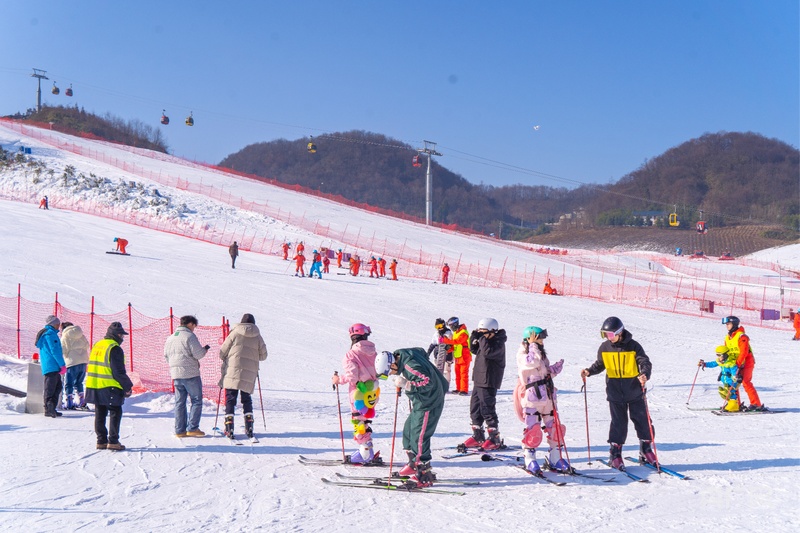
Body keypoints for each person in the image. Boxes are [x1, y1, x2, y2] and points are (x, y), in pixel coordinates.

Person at [580, 316, 655, 468]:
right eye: (605, 335)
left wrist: (644, 374)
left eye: (610, 335)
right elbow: (600, 365)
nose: (608, 338)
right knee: (619, 424)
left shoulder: (634, 346)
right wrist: (589, 371)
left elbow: (644, 362)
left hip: (635, 392)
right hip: (615, 393)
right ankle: (615, 454)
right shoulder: (604, 347)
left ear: (619, 332)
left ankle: (646, 450)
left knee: (643, 421)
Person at [380, 347, 447, 488]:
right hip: (421, 401)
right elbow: (421, 351)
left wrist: (406, 384)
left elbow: (427, 382)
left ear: (392, 364)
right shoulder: (404, 357)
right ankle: (413, 463)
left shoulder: (410, 365)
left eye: (391, 371)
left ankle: (424, 473)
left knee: (419, 436)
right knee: (409, 430)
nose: (392, 374)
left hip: (429, 402)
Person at [514, 326, 568, 473]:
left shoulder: (539, 353)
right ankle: (530, 459)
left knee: (555, 428)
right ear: (530, 338)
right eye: (540, 338)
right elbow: (532, 362)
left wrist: (554, 369)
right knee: (533, 430)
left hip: (548, 397)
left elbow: (542, 372)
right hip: (533, 398)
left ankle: (555, 458)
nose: (542, 341)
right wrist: (533, 345)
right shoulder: (523, 353)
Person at [331, 323, 380, 464]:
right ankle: (367, 449)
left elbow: (352, 377)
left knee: (358, 421)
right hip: (372, 392)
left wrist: (338, 380)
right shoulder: (374, 353)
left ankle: (365, 454)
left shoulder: (351, 354)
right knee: (364, 420)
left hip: (358, 393)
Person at [219, 314, 268, 439]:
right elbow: (263, 356)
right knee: (246, 398)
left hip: (232, 370)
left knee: (231, 398)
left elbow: (222, 351)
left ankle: (229, 427)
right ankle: (249, 426)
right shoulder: (257, 336)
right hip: (249, 372)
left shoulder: (235, 333)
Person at [86, 322, 134, 450]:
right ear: (114, 335)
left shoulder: (98, 345)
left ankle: (101, 441)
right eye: (120, 335)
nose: (122, 338)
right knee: (115, 411)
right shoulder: (114, 348)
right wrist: (127, 386)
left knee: (100, 412)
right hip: (110, 385)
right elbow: (118, 371)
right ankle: (113, 441)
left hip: (95, 384)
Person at [461, 318, 507, 451]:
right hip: (479, 378)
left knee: (487, 408)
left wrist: (482, 338)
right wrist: (473, 338)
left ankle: (494, 438)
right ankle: (478, 435)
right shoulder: (486, 340)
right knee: (475, 408)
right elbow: (475, 350)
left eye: (484, 332)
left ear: (493, 331)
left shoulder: (498, 342)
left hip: (489, 379)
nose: (482, 335)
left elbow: (487, 352)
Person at [164, 315, 210, 437]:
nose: (194, 328)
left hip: (176, 374)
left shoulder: (170, 337)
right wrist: (205, 349)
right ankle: (193, 428)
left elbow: (166, 356)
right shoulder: (189, 336)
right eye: (194, 326)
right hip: (190, 374)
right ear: (190, 324)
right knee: (196, 400)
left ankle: (180, 430)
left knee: (180, 402)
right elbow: (198, 354)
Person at [722, 316, 764, 411]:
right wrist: (725, 364)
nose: (727, 326)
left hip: (747, 363)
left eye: (728, 324)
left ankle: (756, 404)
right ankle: (735, 404)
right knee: (733, 382)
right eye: (726, 324)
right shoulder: (727, 338)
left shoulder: (742, 336)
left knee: (746, 382)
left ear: (734, 324)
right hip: (735, 364)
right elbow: (726, 352)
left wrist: (737, 364)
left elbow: (744, 352)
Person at [34, 315, 66, 418]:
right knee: (51, 388)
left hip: (50, 365)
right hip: (52, 365)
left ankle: (51, 408)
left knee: (56, 387)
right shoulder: (50, 335)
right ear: (53, 324)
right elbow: (55, 351)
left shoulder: (48, 334)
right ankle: (49, 409)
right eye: (57, 324)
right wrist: (62, 364)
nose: (59, 326)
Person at [698, 346, 741, 412]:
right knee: (725, 393)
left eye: (719, 355)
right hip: (725, 380)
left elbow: (734, 371)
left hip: (731, 380)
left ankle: (734, 406)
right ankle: (730, 404)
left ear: (725, 354)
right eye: (717, 355)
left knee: (730, 392)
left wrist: (735, 376)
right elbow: (712, 364)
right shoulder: (720, 361)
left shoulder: (731, 363)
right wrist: (704, 364)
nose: (718, 357)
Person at [60, 321, 90, 410]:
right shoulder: (80, 334)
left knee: (69, 383)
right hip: (83, 361)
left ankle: (69, 402)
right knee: (79, 382)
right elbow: (87, 345)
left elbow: (63, 350)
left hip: (72, 362)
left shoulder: (65, 336)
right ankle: (82, 401)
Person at [441, 317, 471, 395]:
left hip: (464, 356)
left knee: (463, 373)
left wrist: (446, 340)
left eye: (451, 325)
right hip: (458, 356)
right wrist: (449, 349)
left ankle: (464, 390)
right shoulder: (456, 333)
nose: (451, 328)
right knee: (457, 373)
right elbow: (455, 346)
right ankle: (459, 388)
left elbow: (458, 341)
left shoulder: (463, 332)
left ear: (455, 324)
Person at [426, 318, 453, 387]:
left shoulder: (448, 333)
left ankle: (446, 385)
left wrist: (448, 348)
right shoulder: (436, 334)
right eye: (437, 327)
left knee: (446, 371)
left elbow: (451, 344)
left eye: (440, 326)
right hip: (438, 354)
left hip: (447, 354)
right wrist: (428, 353)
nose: (439, 328)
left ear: (444, 325)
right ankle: (438, 385)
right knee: (437, 370)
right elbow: (433, 344)